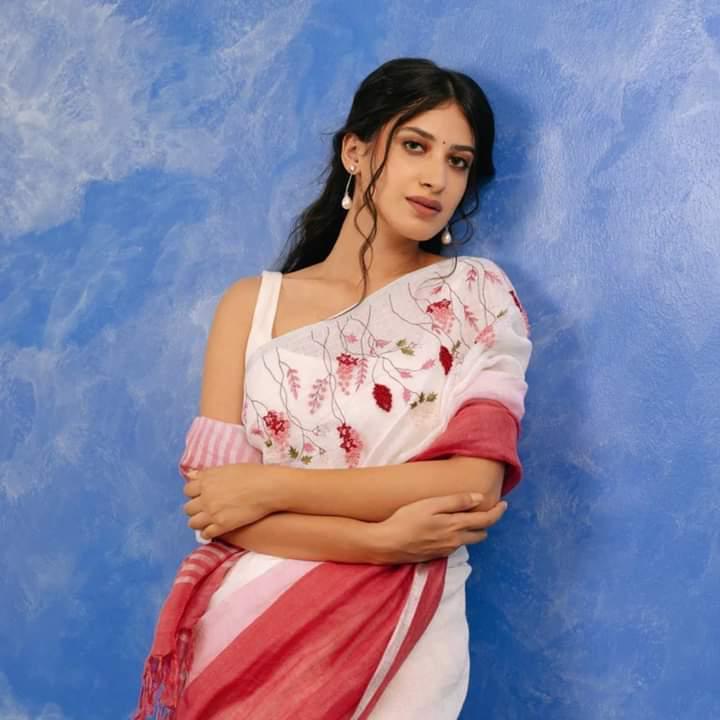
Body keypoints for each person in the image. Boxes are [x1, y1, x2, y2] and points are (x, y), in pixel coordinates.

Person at [134, 56, 532, 719]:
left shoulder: (475, 297)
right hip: (248, 631)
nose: (436, 178)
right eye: (415, 146)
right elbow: (218, 511)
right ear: (355, 151)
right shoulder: (251, 306)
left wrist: (270, 486)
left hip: (404, 633)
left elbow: (472, 484)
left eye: (458, 161)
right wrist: (380, 543)